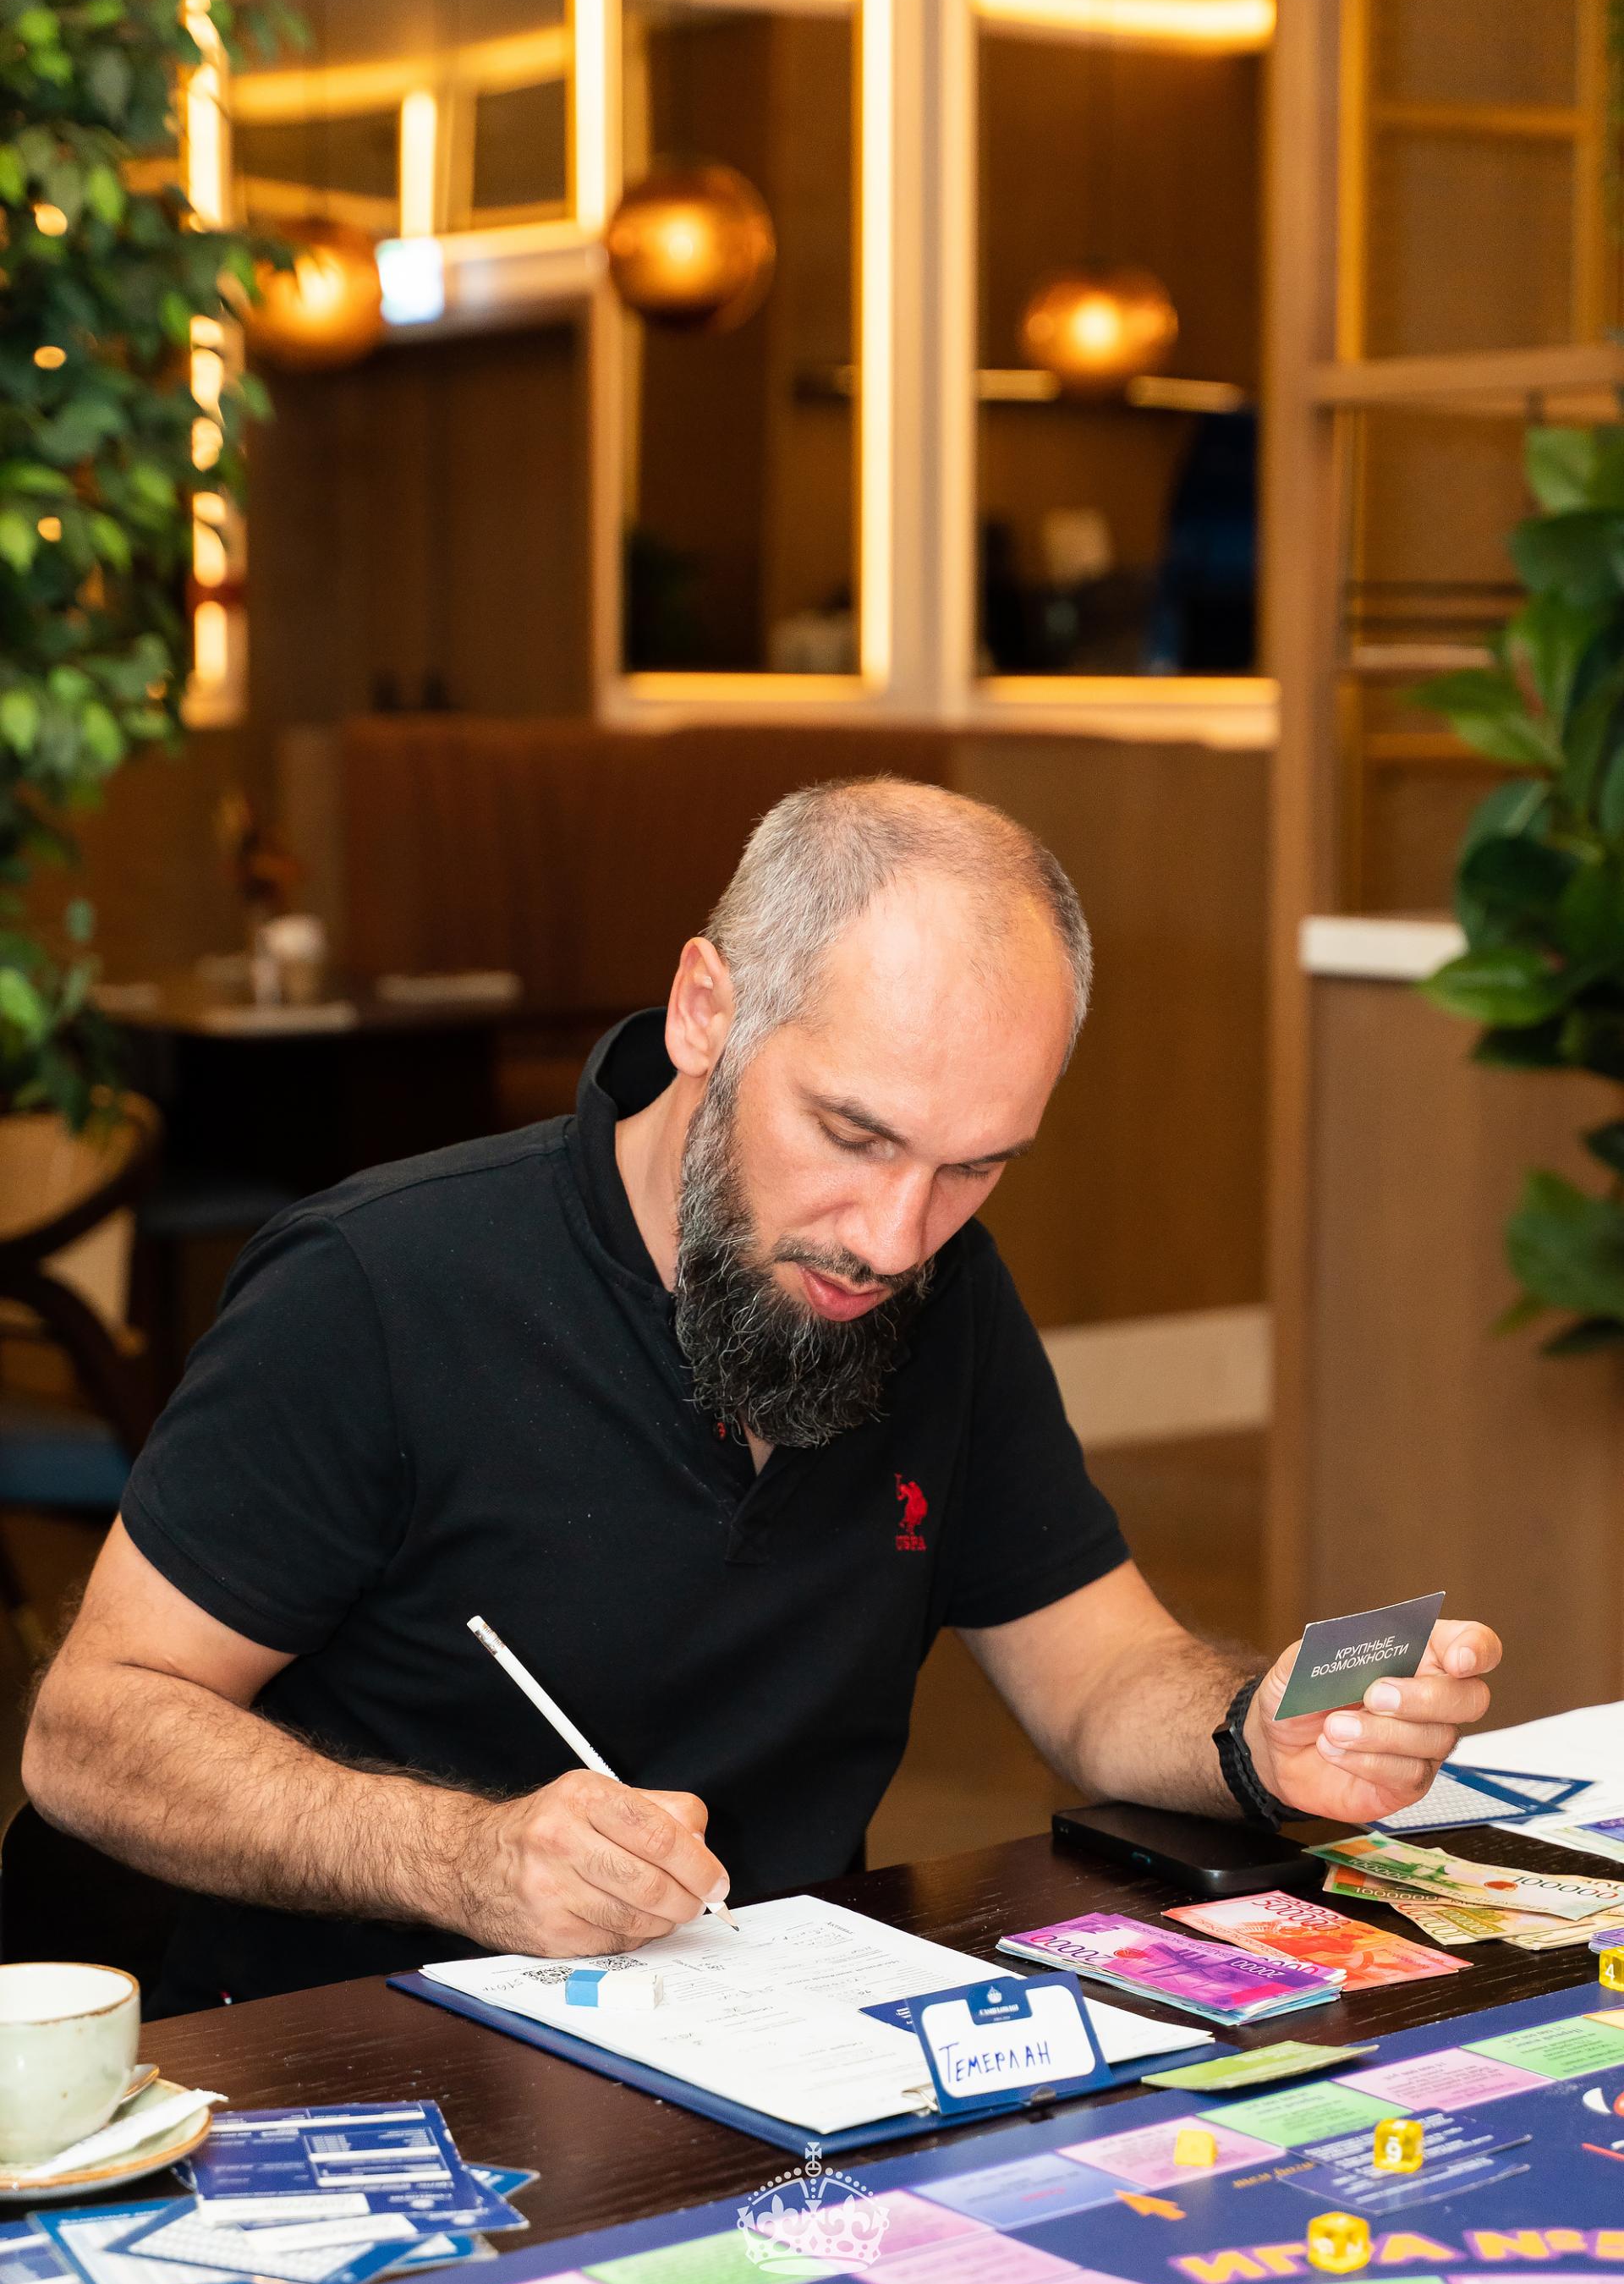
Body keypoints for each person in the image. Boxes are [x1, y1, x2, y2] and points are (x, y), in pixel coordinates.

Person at [24, 780, 1500, 2012]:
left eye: (975, 1167)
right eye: (854, 1135)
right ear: (703, 1011)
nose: (895, 1237)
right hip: (342, 2051)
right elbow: (90, 1731)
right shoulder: (378, 1288)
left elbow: (1102, 1674)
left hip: (769, 2051)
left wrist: (1255, 1732)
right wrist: (465, 1860)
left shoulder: (941, 1294)